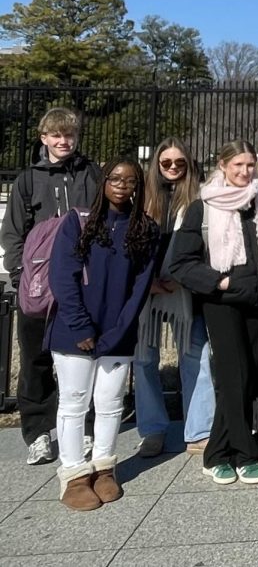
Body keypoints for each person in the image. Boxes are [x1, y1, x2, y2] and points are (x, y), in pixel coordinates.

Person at [168, 139, 258, 484]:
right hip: (223, 303)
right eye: (238, 166)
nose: (245, 172)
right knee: (234, 378)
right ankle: (246, 453)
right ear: (222, 164)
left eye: (250, 165)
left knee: (249, 379)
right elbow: (181, 263)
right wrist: (219, 283)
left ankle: (216, 451)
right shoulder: (203, 206)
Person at [48, 156, 157, 510]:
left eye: (130, 181)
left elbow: (140, 289)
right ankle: (74, 474)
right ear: (103, 181)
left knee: (110, 404)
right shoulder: (77, 223)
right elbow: (63, 277)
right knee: (74, 402)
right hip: (73, 332)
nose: (122, 186)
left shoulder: (146, 228)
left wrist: (117, 333)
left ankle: (105, 467)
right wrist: (80, 327)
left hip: (118, 333)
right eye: (115, 178)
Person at [1, 107, 101, 466]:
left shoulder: (91, 174)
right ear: (44, 138)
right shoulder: (29, 179)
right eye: (56, 135)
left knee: (83, 356)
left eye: (69, 135)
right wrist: (18, 273)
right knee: (35, 360)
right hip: (38, 282)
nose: (63, 141)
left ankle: (84, 427)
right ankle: (39, 431)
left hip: (81, 280)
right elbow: (13, 231)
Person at [133, 137, 215, 458]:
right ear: (156, 165)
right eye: (166, 163)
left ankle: (198, 429)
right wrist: (147, 282)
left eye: (179, 163)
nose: (172, 169)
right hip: (148, 289)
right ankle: (153, 429)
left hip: (185, 290)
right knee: (144, 360)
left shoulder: (198, 196)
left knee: (196, 358)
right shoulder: (143, 198)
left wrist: (185, 277)